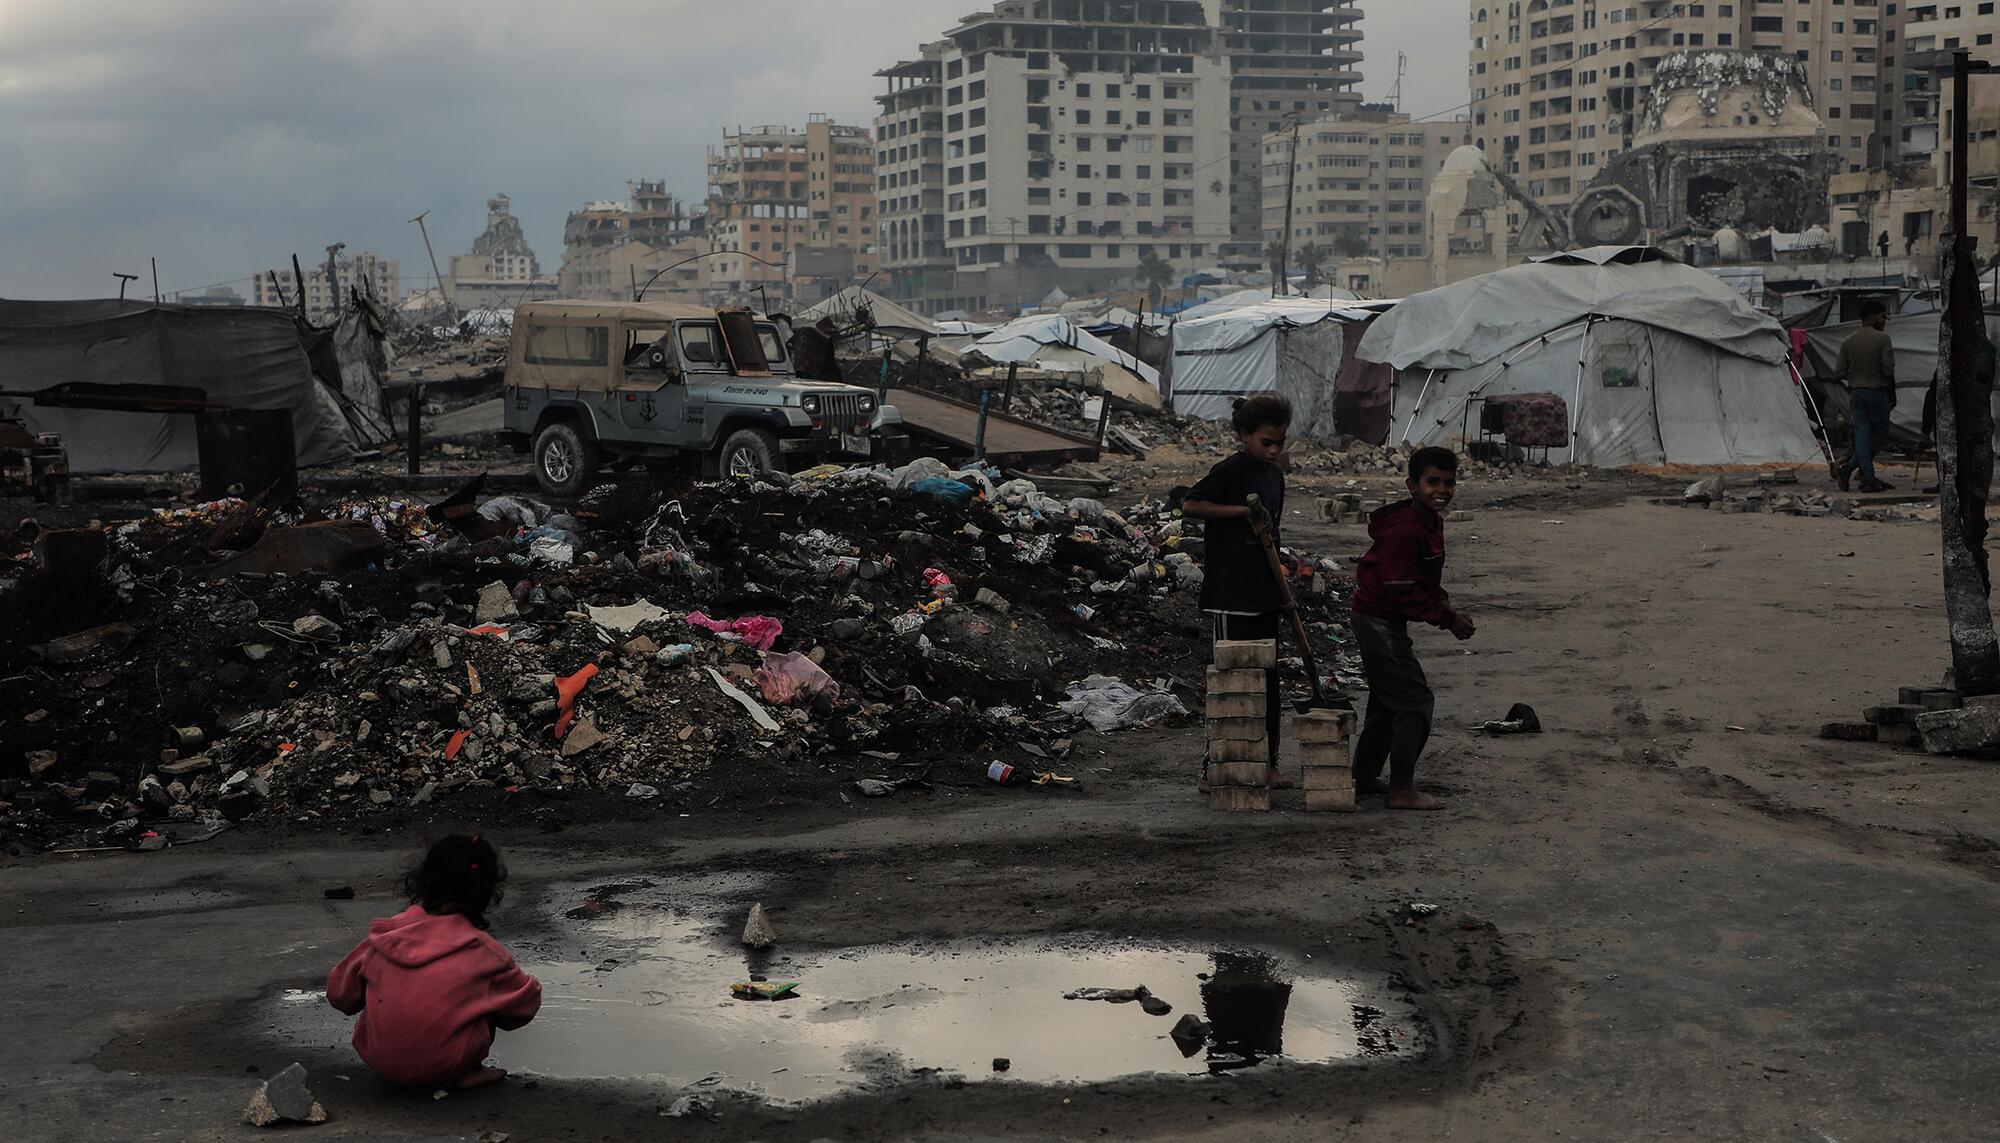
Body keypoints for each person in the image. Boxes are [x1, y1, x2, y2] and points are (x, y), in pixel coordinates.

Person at [327, 835, 542, 1089]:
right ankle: (469, 1071)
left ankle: (399, 1054)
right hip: (446, 1066)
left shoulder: (386, 937)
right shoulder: (483, 952)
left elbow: (339, 995)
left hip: (379, 1062)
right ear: (485, 894)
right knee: (488, 998)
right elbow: (524, 1007)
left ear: (423, 881)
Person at [1349, 446, 1476, 810]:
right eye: (1432, 482)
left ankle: (1364, 776)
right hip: (1378, 618)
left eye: (1449, 483)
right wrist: (1447, 620)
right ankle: (1401, 789)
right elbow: (1401, 589)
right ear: (1412, 485)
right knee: (1414, 701)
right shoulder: (1407, 529)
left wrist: (1443, 604)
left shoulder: (1429, 520)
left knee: (1387, 700)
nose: (1442, 490)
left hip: (1383, 616)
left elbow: (1421, 578)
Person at [1182, 394, 1294, 792]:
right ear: (1245, 435)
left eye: (1280, 442)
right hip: (1232, 595)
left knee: (1268, 680)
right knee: (1231, 682)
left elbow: (1273, 534)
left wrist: (1282, 583)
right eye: (1267, 442)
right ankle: (1213, 769)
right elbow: (1191, 505)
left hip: (1265, 591)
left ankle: (1268, 763)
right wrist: (1242, 512)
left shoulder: (1274, 476)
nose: (1275, 449)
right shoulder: (1231, 470)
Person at [1833, 300, 1898, 493]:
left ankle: (1850, 472)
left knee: (1861, 437)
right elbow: (1888, 369)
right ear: (1872, 317)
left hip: (1856, 394)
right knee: (1877, 437)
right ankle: (1865, 476)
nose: (1884, 321)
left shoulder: (1848, 341)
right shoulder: (1883, 339)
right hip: (1876, 394)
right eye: (1882, 316)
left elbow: (1839, 372)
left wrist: (1856, 375)